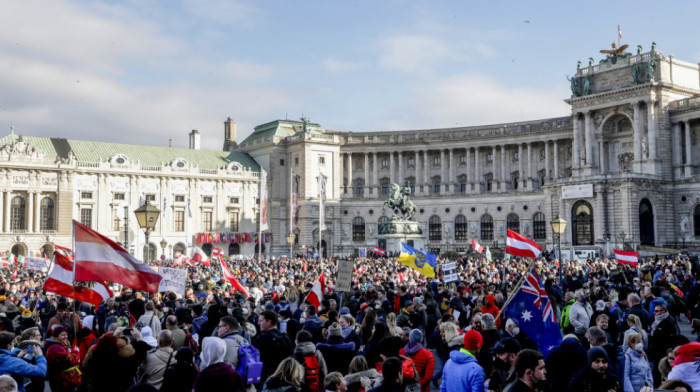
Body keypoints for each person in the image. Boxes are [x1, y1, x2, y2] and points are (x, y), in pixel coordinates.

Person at [255, 310, 294, 382]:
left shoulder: (262, 338)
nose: (258, 323)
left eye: (261, 321)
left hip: (267, 379)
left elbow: (257, 360)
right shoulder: (285, 337)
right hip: (284, 378)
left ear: (269, 322)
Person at [44, 326, 81, 392]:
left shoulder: (61, 344)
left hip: (64, 379)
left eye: (66, 334)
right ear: (56, 336)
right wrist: (76, 352)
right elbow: (71, 360)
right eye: (62, 335)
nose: (65, 337)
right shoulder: (56, 348)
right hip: (61, 380)